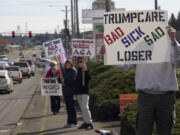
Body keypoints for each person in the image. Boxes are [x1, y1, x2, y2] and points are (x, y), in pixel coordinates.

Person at [135, 26, 180, 135]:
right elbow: (124, 65)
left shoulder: (171, 43)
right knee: (143, 131)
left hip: (166, 97)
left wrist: (173, 40)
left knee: (165, 132)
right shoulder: (138, 45)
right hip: (145, 96)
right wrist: (109, 54)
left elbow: (178, 61)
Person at [74, 57, 93, 130]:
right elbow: (77, 82)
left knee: (85, 107)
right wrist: (75, 93)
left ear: (84, 62)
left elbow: (89, 78)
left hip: (85, 91)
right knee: (82, 108)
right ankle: (85, 122)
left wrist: (85, 71)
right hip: (79, 92)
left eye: (81, 62)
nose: (79, 63)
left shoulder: (87, 69)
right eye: (78, 62)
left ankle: (90, 123)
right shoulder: (78, 70)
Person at [62, 59, 78, 128]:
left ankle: (74, 122)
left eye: (69, 64)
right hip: (66, 92)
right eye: (66, 64)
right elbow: (61, 81)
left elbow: (73, 82)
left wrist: (64, 81)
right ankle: (69, 122)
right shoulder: (64, 71)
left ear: (71, 64)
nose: (67, 65)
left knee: (72, 108)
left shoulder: (73, 71)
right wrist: (59, 79)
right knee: (68, 108)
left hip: (72, 93)